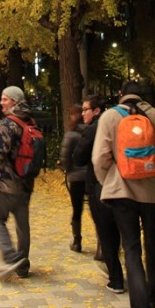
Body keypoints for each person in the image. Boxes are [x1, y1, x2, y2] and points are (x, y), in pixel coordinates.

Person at [92, 81, 155, 308]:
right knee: (152, 242)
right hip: (152, 192)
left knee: (131, 249)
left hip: (123, 192)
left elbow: (99, 158)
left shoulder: (109, 117)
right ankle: (154, 294)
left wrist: (111, 182)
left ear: (120, 94)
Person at [73, 94, 125, 294]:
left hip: (100, 185)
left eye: (86, 109)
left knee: (106, 231)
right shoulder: (121, 122)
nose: (82, 113)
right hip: (124, 184)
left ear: (96, 111)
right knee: (123, 231)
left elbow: (79, 157)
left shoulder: (94, 129)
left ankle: (116, 278)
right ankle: (131, 274)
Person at [0, 85, 36, 279]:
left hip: (7, 182)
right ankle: (23, 265)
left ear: (14, 101)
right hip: (26, 182)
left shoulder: (9, 123)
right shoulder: (30, 121)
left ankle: (10, 256)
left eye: (5, 99)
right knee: (22, 224)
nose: (1, 102)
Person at [58, 103, 87, 253]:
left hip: (76, 177)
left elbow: (65, 156)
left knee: (77, 209)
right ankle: (102, 244)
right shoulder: (89, 132)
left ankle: (77, 240)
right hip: (90, 176)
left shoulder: (71, 135)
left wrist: (67, 169)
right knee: (96, 209)